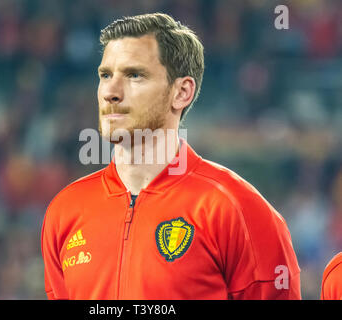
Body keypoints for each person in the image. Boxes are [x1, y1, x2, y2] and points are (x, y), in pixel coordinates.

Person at [41, 13, 301, 299]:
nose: (111, 92)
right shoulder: (65, 211)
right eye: (105, 75)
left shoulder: (238, 210)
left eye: (134, 75)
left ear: (182, 92)